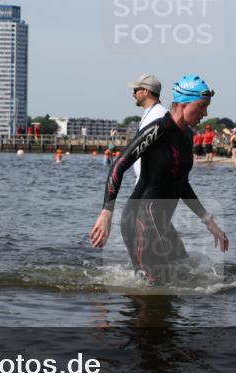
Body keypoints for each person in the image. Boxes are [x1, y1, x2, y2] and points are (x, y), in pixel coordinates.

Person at [90, 74, 228, 286]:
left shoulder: (187, 135)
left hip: (161, 222)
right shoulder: (158, 130)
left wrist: (209, 221)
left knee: (186, 272)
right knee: (157, 289)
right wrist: (107, 212)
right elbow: (120, 164)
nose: (206, 113)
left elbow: (182, 184)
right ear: (183, 104)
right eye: (201, 106)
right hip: (139, 220)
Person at [127, 74, 168, 185]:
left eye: (135, 90)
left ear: (146, 91)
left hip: (151, 185)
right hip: (146, 183)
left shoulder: (157, 114)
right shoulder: (152, 112)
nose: (133, 94)